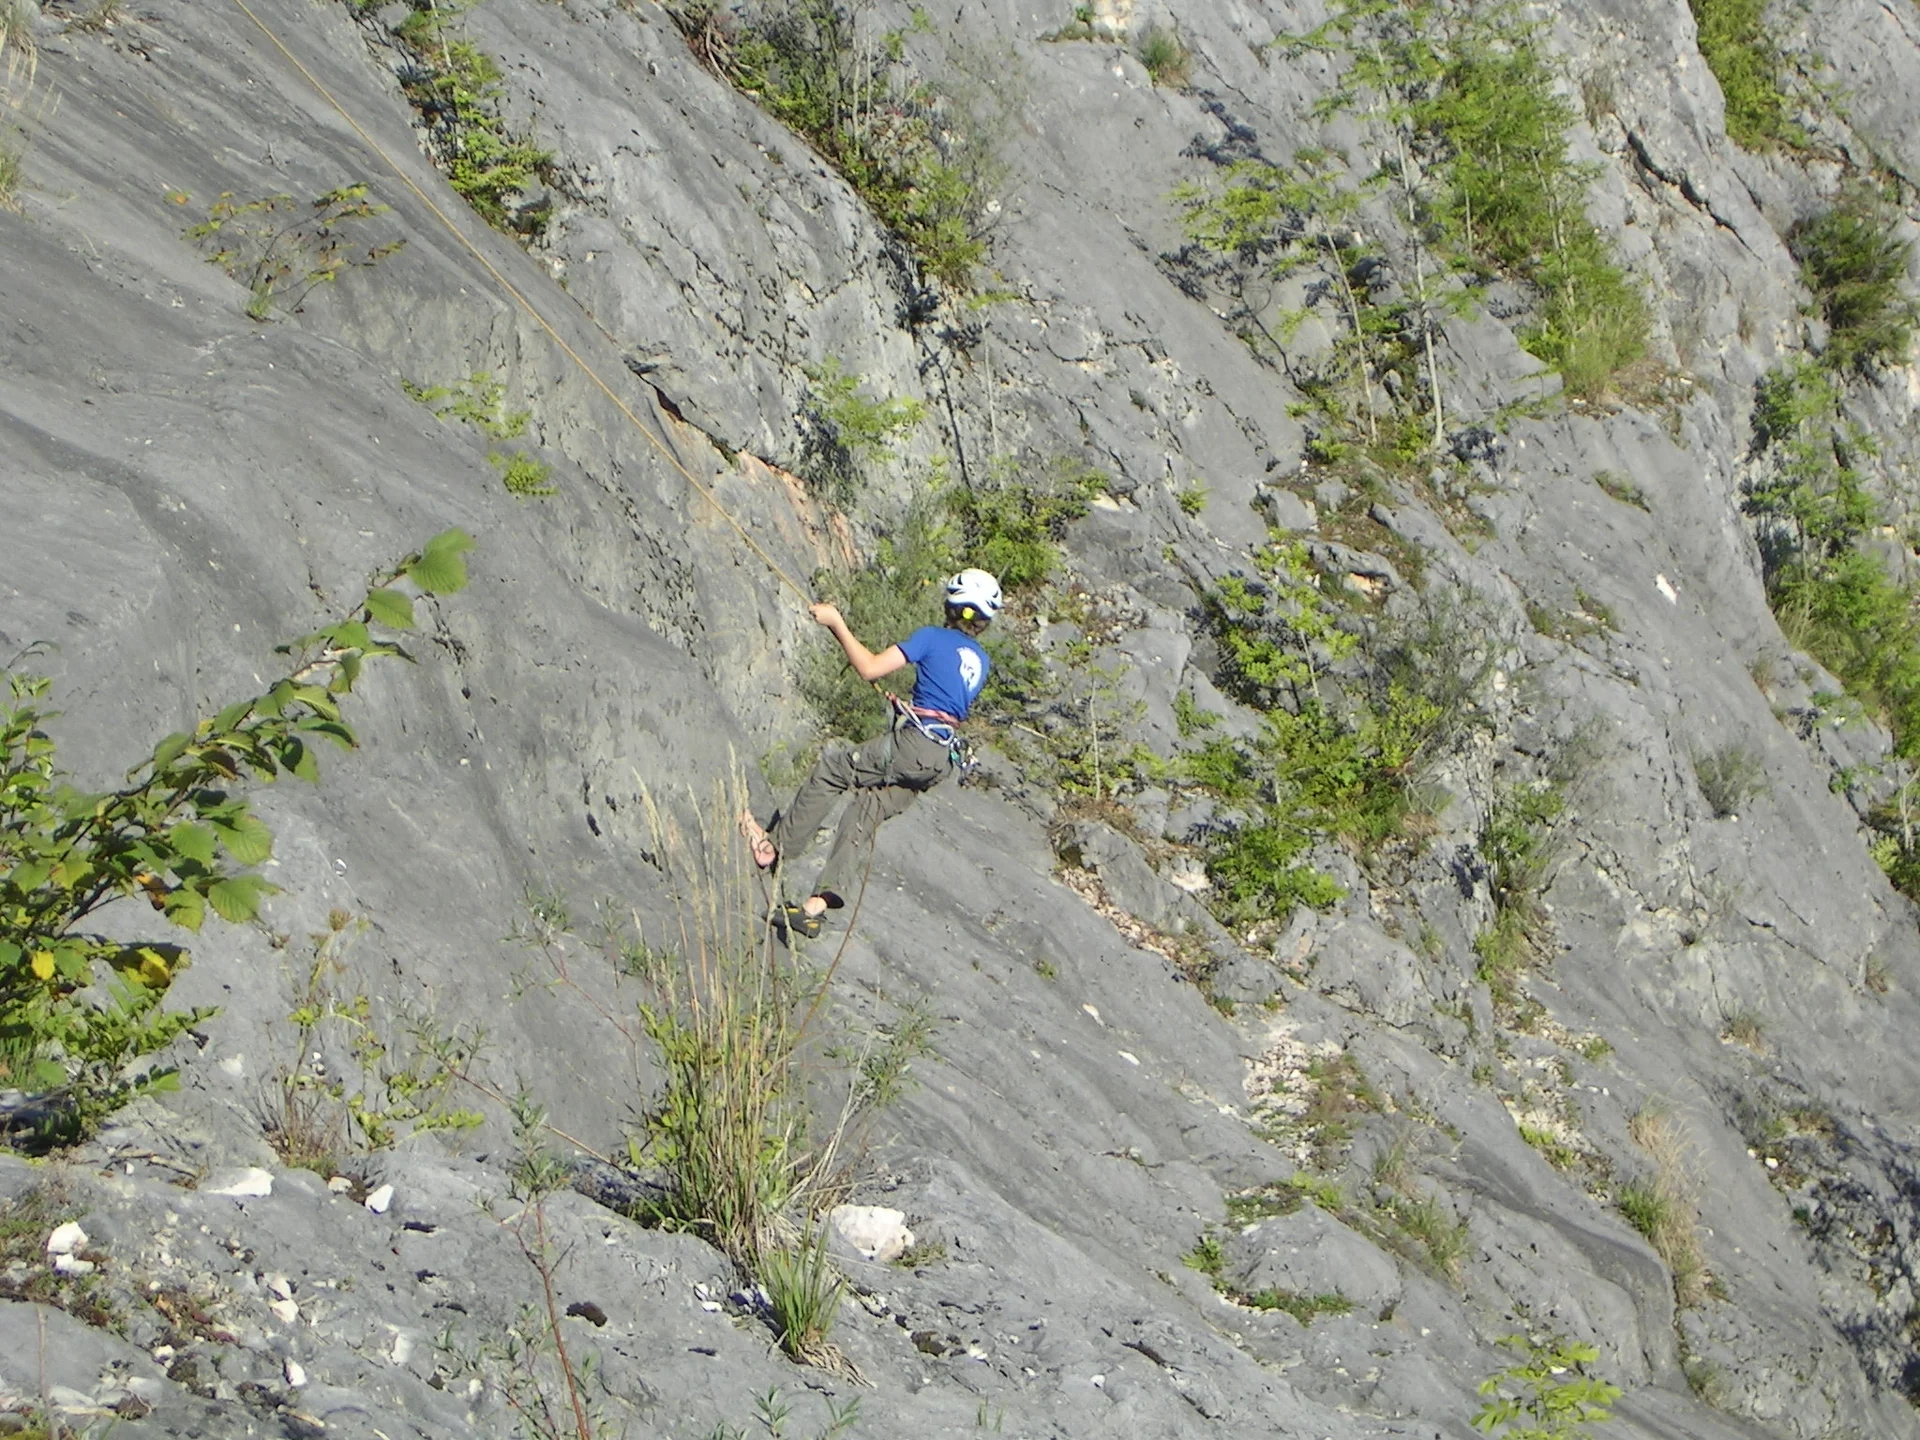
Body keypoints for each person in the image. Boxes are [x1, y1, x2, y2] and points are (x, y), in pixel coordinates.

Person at [741, 568, 1002, 937]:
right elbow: (945, 701)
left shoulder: (932, 637)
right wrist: (910, 708)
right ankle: (815, 909)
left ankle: (772, 847)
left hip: (915, 745)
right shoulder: (981, 660)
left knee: (833, 770)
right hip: (940, 759)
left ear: (952, 605)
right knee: (866, 810)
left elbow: (869, 668)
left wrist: (836, 623)